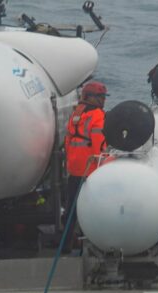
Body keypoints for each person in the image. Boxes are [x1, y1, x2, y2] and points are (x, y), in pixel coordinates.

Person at [64, 81, 108, 243]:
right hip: (91, 170)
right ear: (89, 97)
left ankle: (68, 241)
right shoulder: (97, 115)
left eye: (103, 97)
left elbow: (68, 142)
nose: (103, 100)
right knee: (90, 209)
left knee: (71, 211)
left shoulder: (76, 114)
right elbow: (100, 146)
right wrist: (104, 167)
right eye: (100, 97)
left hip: (74, 169)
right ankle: (88, 242)